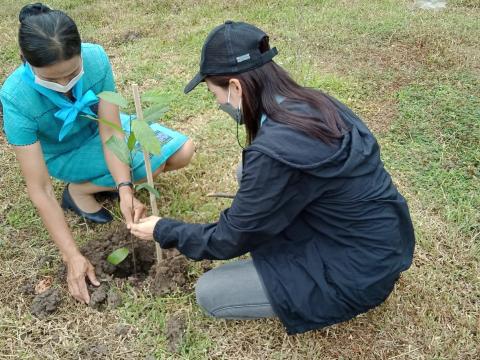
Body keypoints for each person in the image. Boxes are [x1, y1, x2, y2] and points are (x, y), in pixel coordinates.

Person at [131, 20, 415, 335]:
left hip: (357, 271)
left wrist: (163, 229)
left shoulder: (274, 153)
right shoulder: (312, 102)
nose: (218, 103)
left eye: (215, 93)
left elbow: (229, 239)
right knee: (246, 174)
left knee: (211, 292)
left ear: (236, 87)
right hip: (381, 239)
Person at [0, 3, 194, 304]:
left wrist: (125, 188)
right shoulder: (15, 97)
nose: (65, 84)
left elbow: (111, 131)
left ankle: (101, 187)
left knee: (181, 151)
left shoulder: (96, 58)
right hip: (66, 152)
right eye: (53, 79)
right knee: (148, 166)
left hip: (99, 131)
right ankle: (78, 190)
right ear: (25, 61)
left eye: (73, 73)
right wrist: (72, 256)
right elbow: (39, 188)